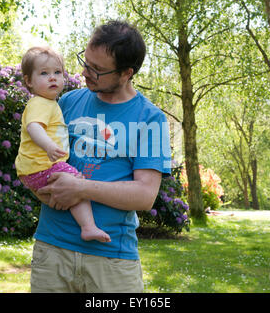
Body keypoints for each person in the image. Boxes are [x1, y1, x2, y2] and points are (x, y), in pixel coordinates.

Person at [30, 20, 172, 293]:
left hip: (112, 258)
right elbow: (38, 160)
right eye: (86, 62)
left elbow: (145, 196)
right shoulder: (68, 102)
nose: (85, 73)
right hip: (52, 250)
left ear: (126, 73)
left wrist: (79, 188)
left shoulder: (150, 119)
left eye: (97, 70)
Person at [15, 46, 111, 243]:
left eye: (57, 72)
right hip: (42, 165)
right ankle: (88, 227)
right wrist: (49, 146)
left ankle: (80, 222)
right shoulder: (39, 103)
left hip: (35, 167)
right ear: (29, 81)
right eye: (44, 73)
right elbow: (34, 128)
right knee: (77, 184)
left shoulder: (50, 104)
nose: (52, 78)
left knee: (65, 194)